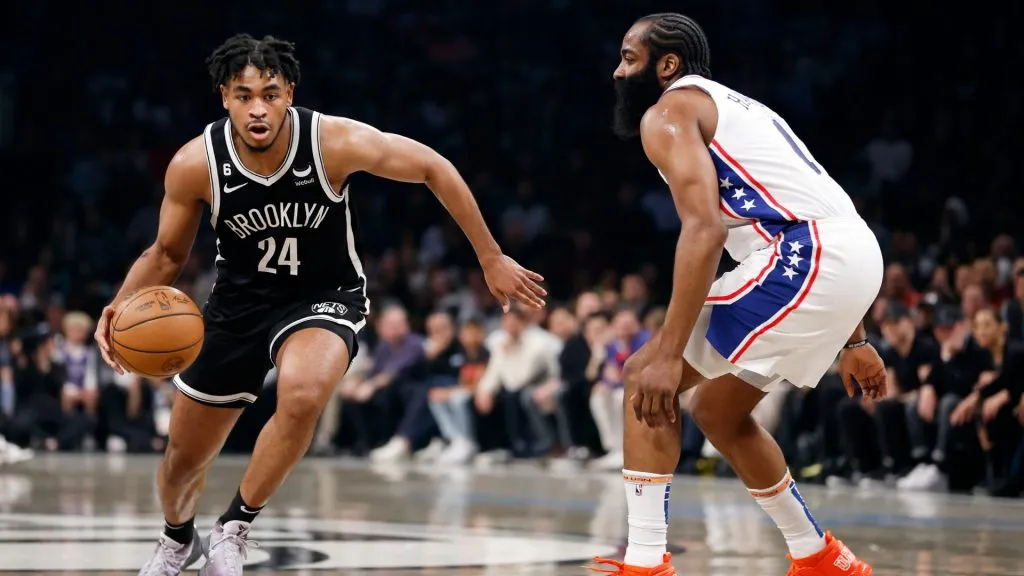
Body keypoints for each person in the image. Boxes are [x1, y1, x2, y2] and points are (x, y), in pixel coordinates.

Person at [92, 34, 546, 576]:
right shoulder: (195, 163)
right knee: (181, 463)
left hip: (323, 295)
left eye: (270, 93)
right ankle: (176, 540)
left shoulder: (330, 141)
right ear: (224, 98)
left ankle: (233, 529)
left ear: (290, 92)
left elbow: (432, 165)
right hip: (236, 306)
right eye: (243, 95)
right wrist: (119, 305)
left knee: (304, 394)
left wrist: (490, 257)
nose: (258, 107)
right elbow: (166, 253)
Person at [591, 13, 885, 576]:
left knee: (645, 375)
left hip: (808, 255)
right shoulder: (734, 105)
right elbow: (816, 209)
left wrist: (670, 353)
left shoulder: (670, 110)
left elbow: (704, 230)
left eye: (629, 58)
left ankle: (647, 562)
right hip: (846, 253)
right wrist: (855, 338)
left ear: (667, 65)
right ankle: (818, 555)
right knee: (718, 411)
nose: (617, 71)